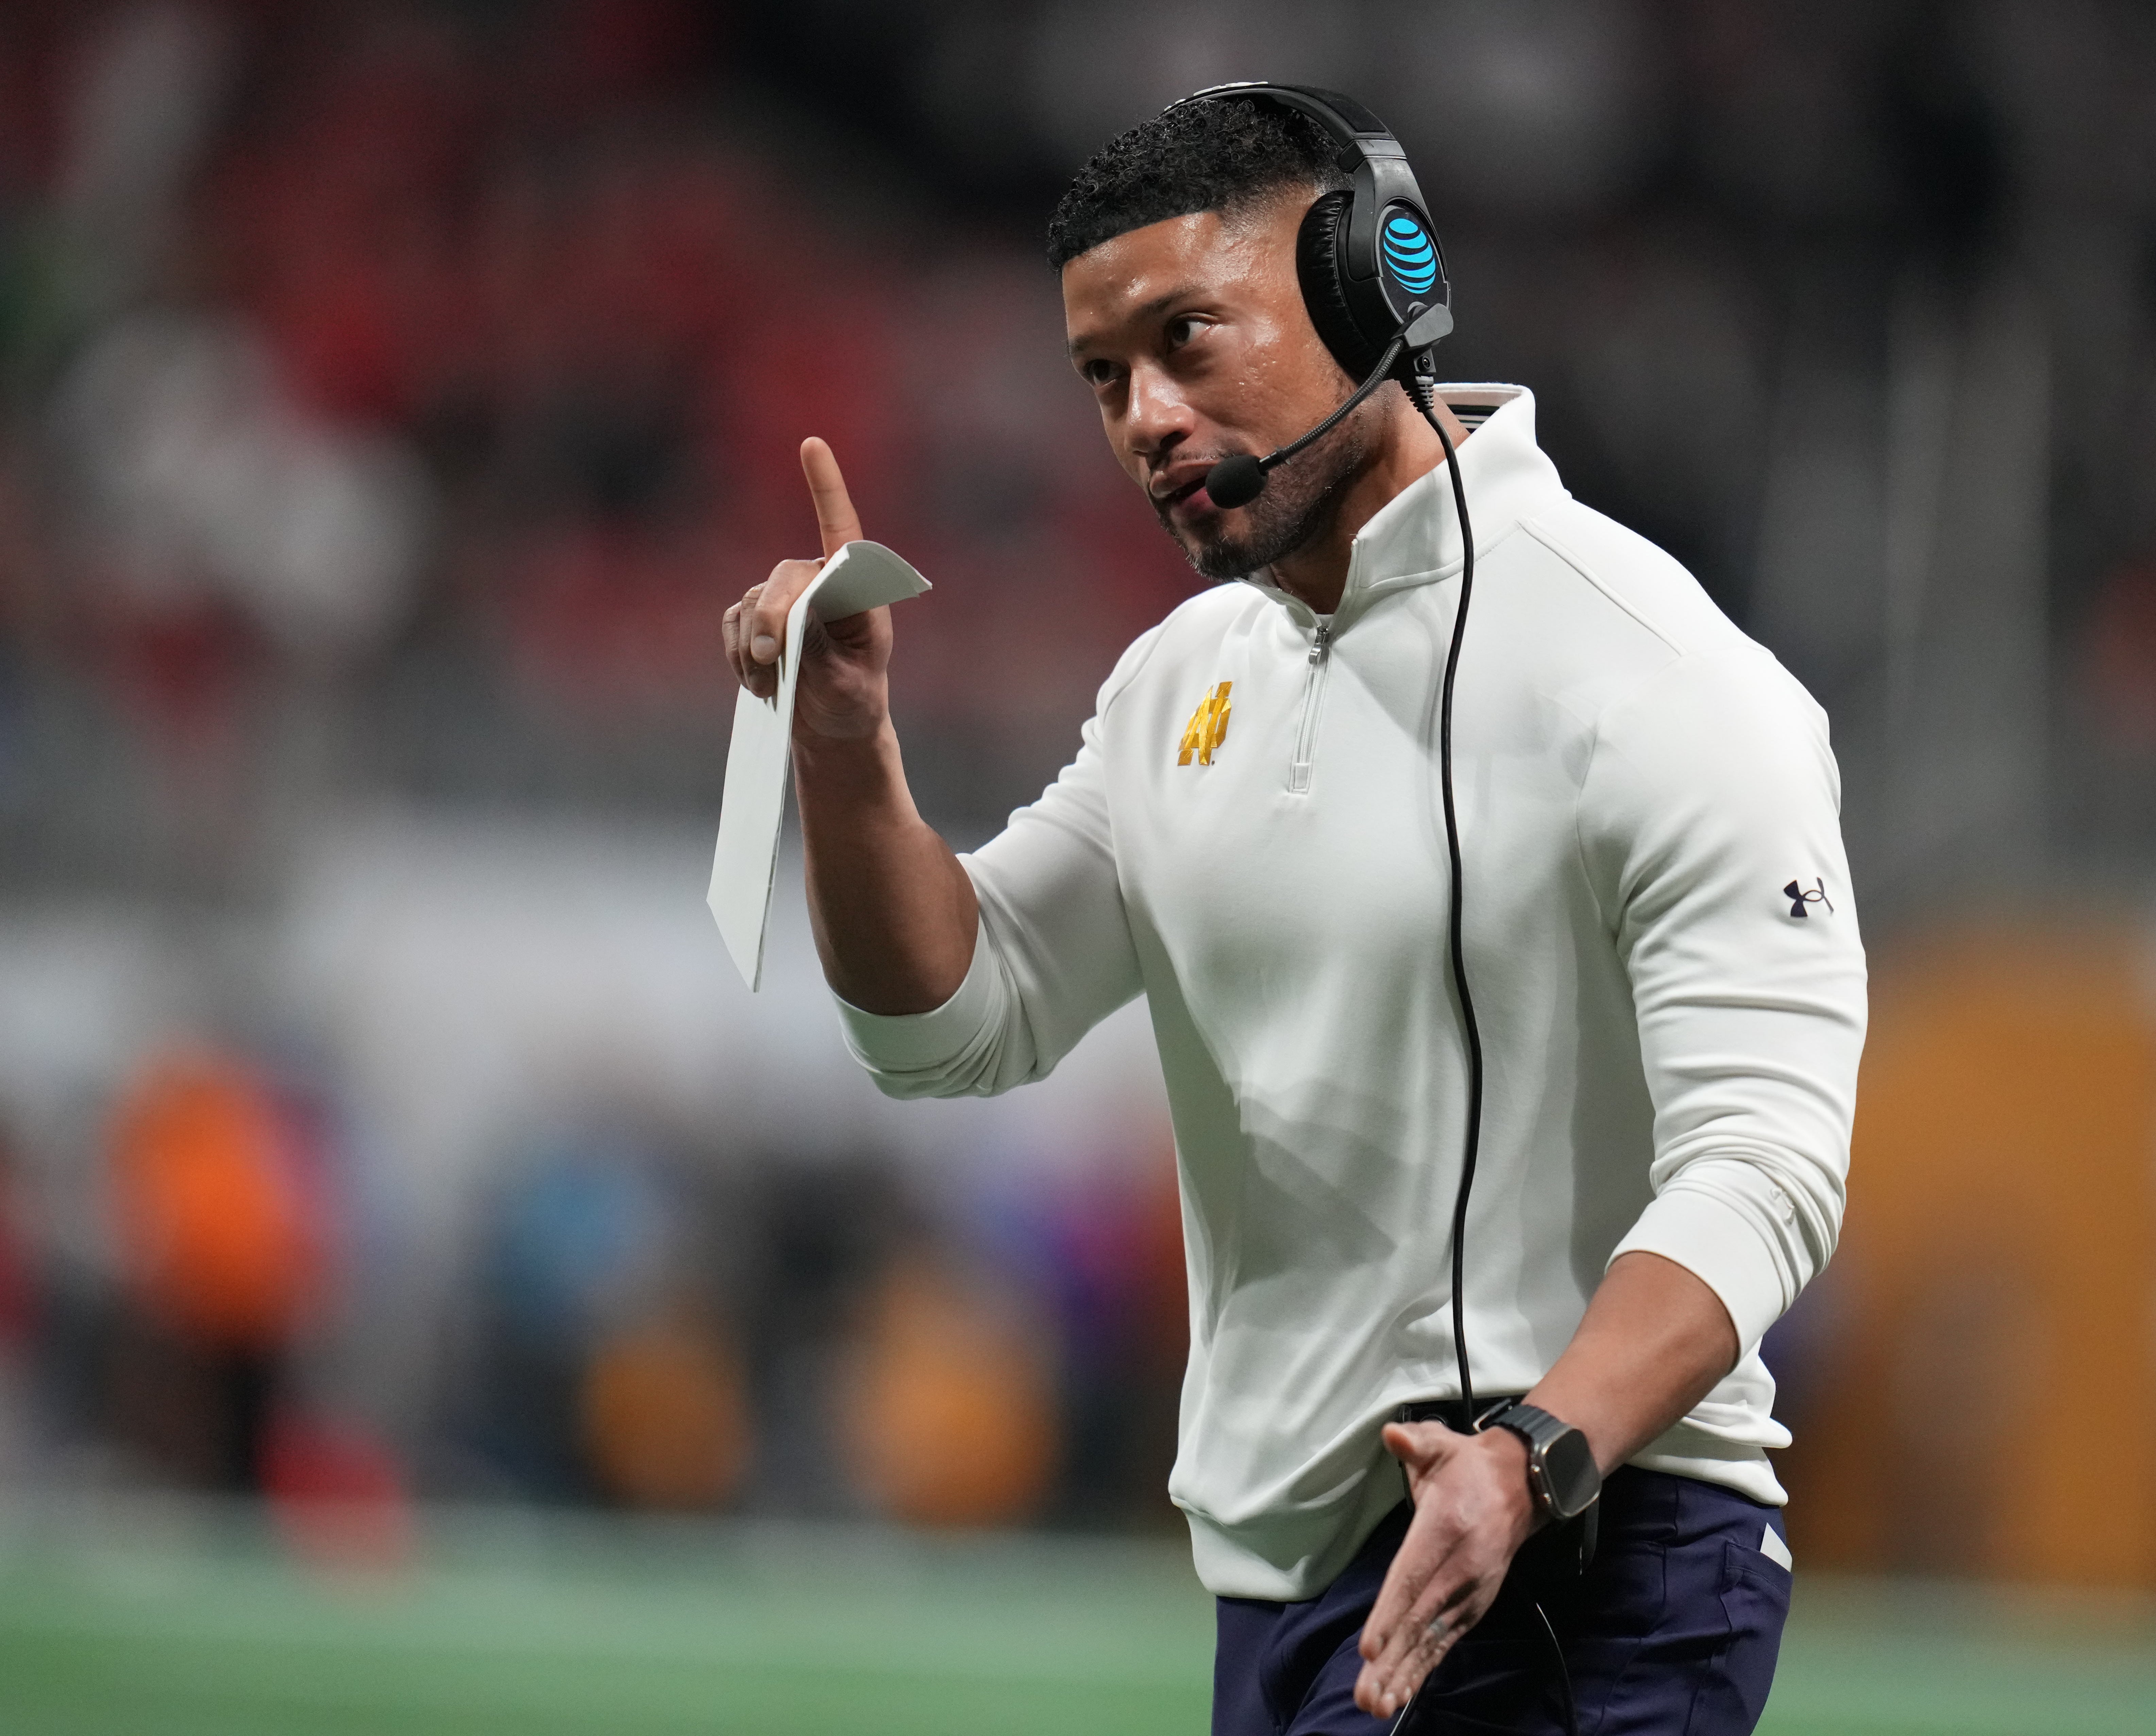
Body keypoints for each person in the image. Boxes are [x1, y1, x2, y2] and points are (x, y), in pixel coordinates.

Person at [723, 91, 1864, 1735]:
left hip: (1580, 1558)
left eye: (1190, 337)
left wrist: (1540, 1451)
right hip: (1287, 1592)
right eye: (1105, 376)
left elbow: (1766, 1161)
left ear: (1368, 286)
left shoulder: (1662, 680)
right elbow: (949, 1020)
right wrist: (845, 744)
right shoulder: (1181, 681)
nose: (1147, 418)